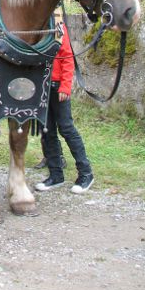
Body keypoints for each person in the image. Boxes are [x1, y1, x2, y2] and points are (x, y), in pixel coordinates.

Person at [35, 25, 94, 194]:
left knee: (66, 129)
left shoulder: (58, 26)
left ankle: (86, 173)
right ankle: (56, 174)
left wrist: (65, 87)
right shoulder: (35, 25)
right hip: (42, 89)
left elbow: (67, 56)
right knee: (47, 131)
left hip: (57, 88)